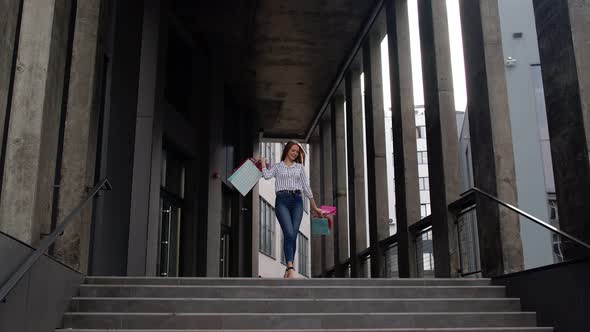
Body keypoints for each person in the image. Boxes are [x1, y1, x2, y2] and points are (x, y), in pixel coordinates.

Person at [257, 141, 323, 278]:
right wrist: (263, 163)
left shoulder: (299, 168)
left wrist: (314, 207)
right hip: (282, 201)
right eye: (293, 150)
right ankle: (290, 267)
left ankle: (289, 268)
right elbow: (267, 175)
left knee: (293, 234)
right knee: (288, 232)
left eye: (297, 152)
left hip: (297, 202)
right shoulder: (277, 166)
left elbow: (306, 188)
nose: (295, 153)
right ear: (287, 150)